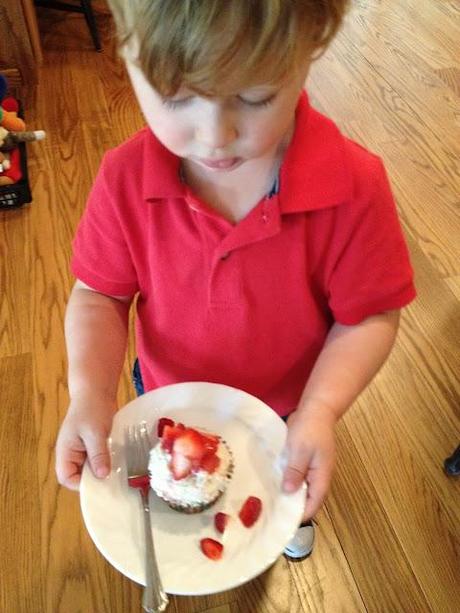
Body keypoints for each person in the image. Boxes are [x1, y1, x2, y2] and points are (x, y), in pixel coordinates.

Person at [55, 0, 416, 560]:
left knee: (273, 492)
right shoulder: (124, 178)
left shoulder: (354, 184)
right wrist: (90, 393)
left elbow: (367, 314)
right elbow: (100, 293)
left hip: (286, 412)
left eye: (254, 97)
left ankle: (279, 516)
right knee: (186, 492)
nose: (214, 135)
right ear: (125, 56)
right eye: (175, 95)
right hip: (167, 394)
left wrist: (320, 409)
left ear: (312, 47)